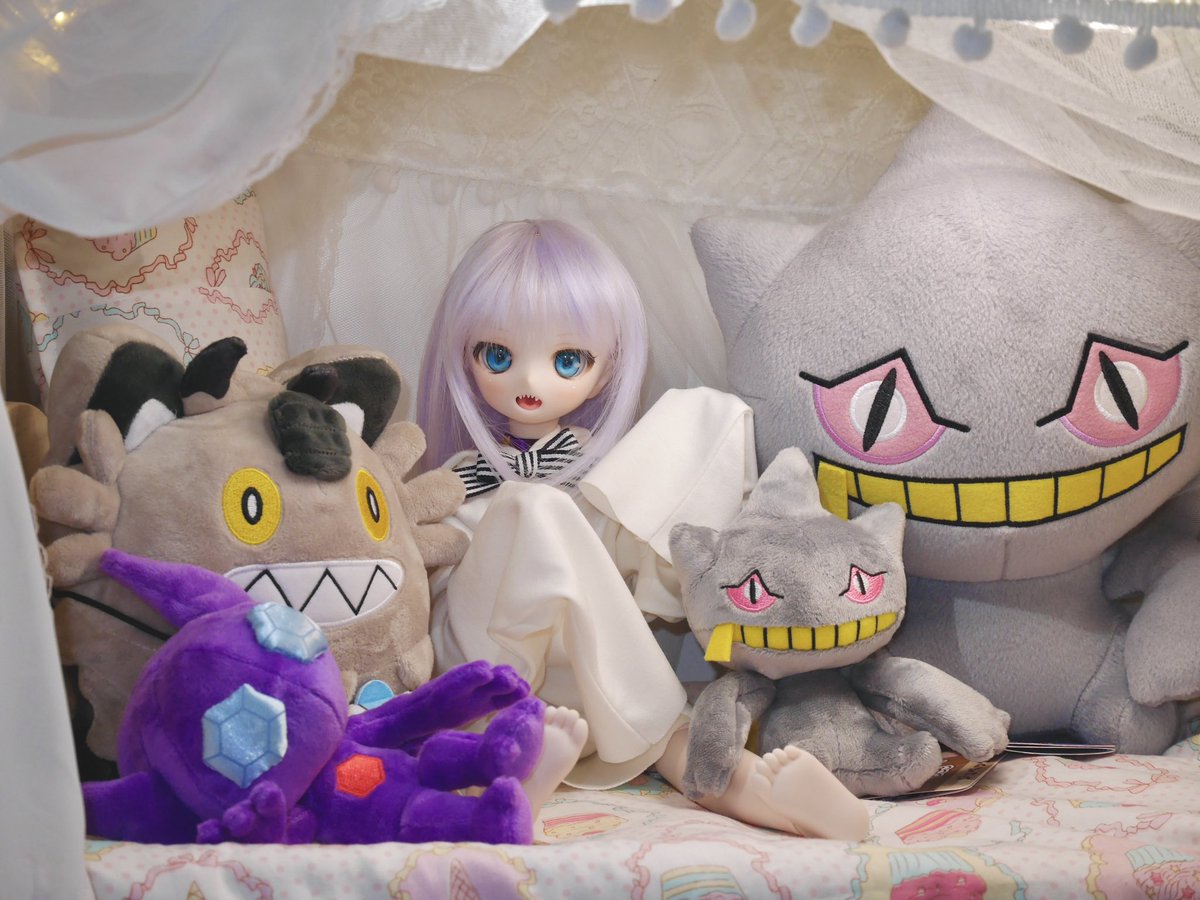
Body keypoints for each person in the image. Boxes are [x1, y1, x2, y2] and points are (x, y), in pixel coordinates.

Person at [416, 219, 866, 839]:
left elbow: (614, 574)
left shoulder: (603, 477)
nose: (529, 383)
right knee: (535, 510)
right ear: (463, 358)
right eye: (498, 356)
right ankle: (508, 764)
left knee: (706, 412)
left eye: (567, 360)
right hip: (480, 686)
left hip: (583, 685)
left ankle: (763, 793)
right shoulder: (451, 482)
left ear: (607, 370)